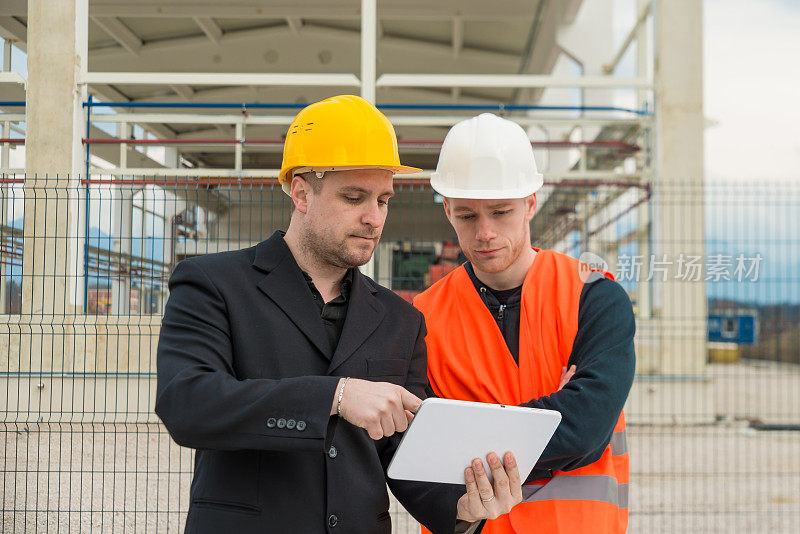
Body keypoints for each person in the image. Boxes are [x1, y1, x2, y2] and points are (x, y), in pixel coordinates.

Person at [155, 96, 523, 534]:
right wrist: (336, 396)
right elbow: (188, 404)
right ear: (301, 193)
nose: (374, 218)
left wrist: (465, 509)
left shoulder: (399, 320)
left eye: (384, 200)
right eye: (354, 197)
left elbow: (400, 455)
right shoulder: (214, 284)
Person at [414, 113, 636, 534]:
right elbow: (419, 449)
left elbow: (587, 430)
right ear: (447, 210)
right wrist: (554, 409)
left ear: (530, 203)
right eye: (466, 216)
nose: (485, 233)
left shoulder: (594, 296)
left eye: (501, 212)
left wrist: (467, 435)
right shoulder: (422, 319)